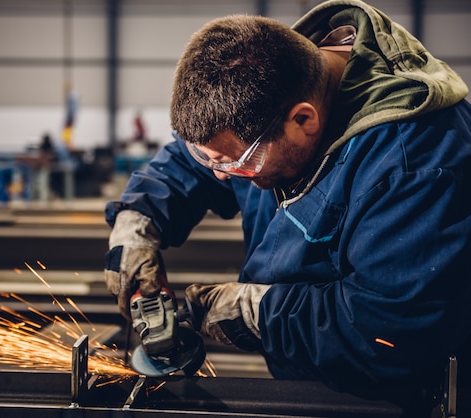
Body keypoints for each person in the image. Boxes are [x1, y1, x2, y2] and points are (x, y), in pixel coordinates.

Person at [104, 0, 471, 410]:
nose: (219, 174)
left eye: (237, 163)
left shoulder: (415, 165)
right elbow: (193, 162)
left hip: (393, 398)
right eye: (208, 157)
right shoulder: (264, 104)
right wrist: (137, 223)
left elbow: (390, 329)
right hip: (306, 381)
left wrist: (258, 313)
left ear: (304, 120)